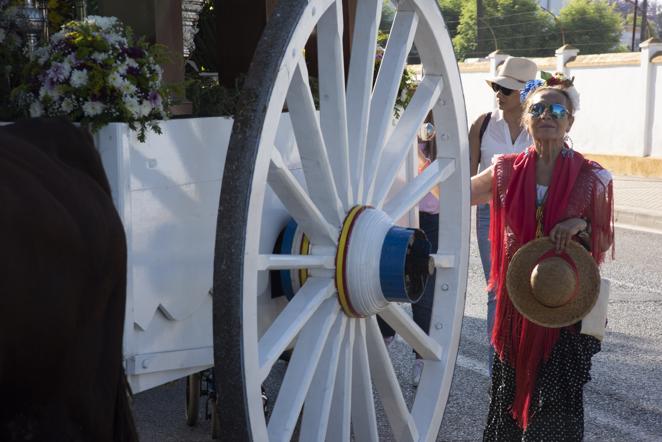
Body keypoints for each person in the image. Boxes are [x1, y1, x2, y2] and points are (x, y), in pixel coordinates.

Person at [470, 73, 614, 440]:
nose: (547, 115)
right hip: (518, 302)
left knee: (556, 406)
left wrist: (579, 222)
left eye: (556, 109)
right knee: (507, 394)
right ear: (526, 118)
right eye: (538, 108)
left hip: (562, 301)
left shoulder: (591, 176)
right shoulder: (504, 170)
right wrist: (427, 159)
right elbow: (456, 194)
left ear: (570, 121)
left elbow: (603, 236)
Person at [469, 56, 538, 375]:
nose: (498, 93)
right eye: (497, 86)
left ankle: (525, 363)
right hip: (489, 216)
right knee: (497, 290)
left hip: (529, 218)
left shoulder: (540, 126)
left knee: (527, 289)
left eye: (506, 89)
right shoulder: (482, 124)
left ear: (525, 95)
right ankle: (498, 368)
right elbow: (466, 182)